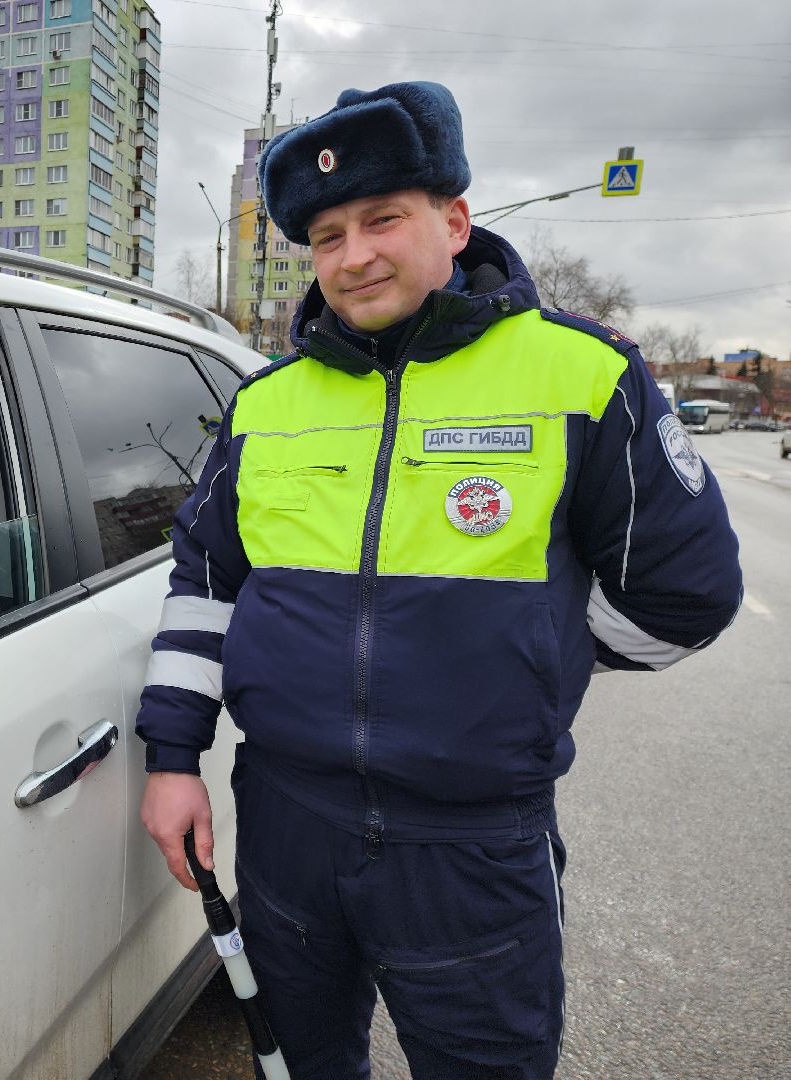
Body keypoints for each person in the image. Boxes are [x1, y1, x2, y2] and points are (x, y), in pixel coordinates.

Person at [136, 81, 741, 1079]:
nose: (355, 254)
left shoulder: (581, 375)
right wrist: (171, 759)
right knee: (302, 1062)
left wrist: (528, 651)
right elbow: (203, 588)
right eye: (326, 235)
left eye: (383, 218)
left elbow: (687, 597)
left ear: (455, 222)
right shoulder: (265, 404)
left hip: (471, 847)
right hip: (285, 829)